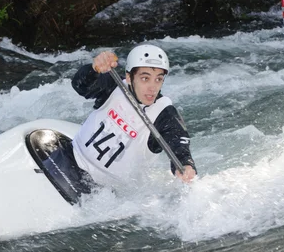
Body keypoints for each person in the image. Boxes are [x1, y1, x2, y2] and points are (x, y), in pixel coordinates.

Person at [43, 45, 196, 202]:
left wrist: (186, 165)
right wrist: (94, 69)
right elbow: (80, 86)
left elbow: (179, 146)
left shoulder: (165, 115)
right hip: (70, 159)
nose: (152, 87)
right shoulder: (113, 84)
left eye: (158, 79)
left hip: (105, 194)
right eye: (145, 78)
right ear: (129, 77)